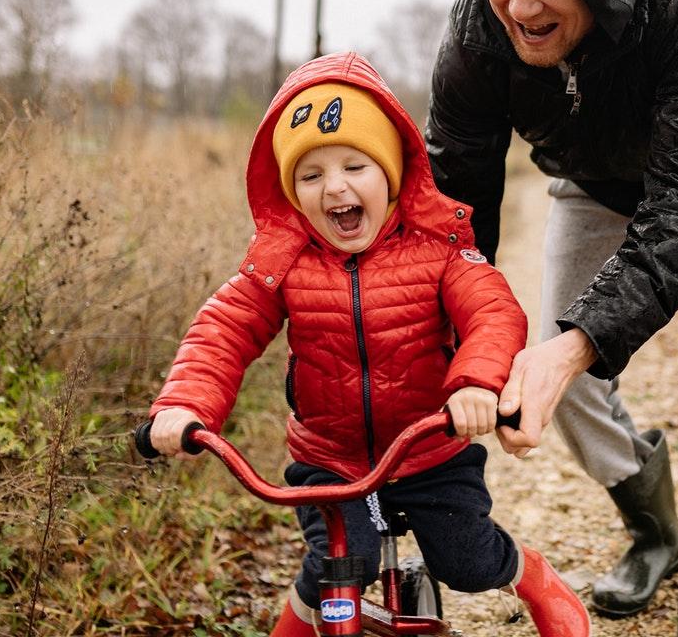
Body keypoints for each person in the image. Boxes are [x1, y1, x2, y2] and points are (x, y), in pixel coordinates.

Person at [427, 0, 678, 633]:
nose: (519, 7)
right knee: (554, 366)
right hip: (592, 177)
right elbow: (456, 207)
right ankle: (654, 532)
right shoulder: (477, 28)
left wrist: (580, 344)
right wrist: (449, 345)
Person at [145, 52, 589, 637]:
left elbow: (494, 312)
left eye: (355, 165)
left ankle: (534, 577)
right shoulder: (282, 261)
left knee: (468, 561)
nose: (335, 187)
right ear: (291, 192)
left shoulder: (439, 247)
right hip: (329, 456)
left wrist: (476, 383)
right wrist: (185, 405)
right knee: (336, 566)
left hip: (429, 447)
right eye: (310, 175)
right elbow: (223, 331)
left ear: (392, 172)